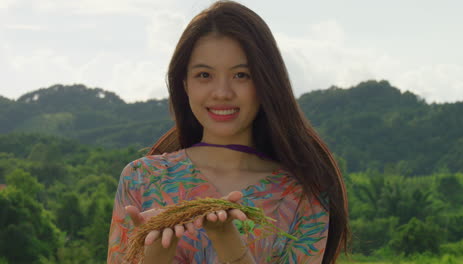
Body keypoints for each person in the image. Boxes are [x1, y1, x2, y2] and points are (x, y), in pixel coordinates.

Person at [107, 1, 349, 263]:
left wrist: (227, 240)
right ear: (184, 83)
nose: (222, 92)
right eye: (204, 75)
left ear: (266, 82)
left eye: (241, 75)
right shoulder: (142, 179)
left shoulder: (302, 193)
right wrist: (157, 254)